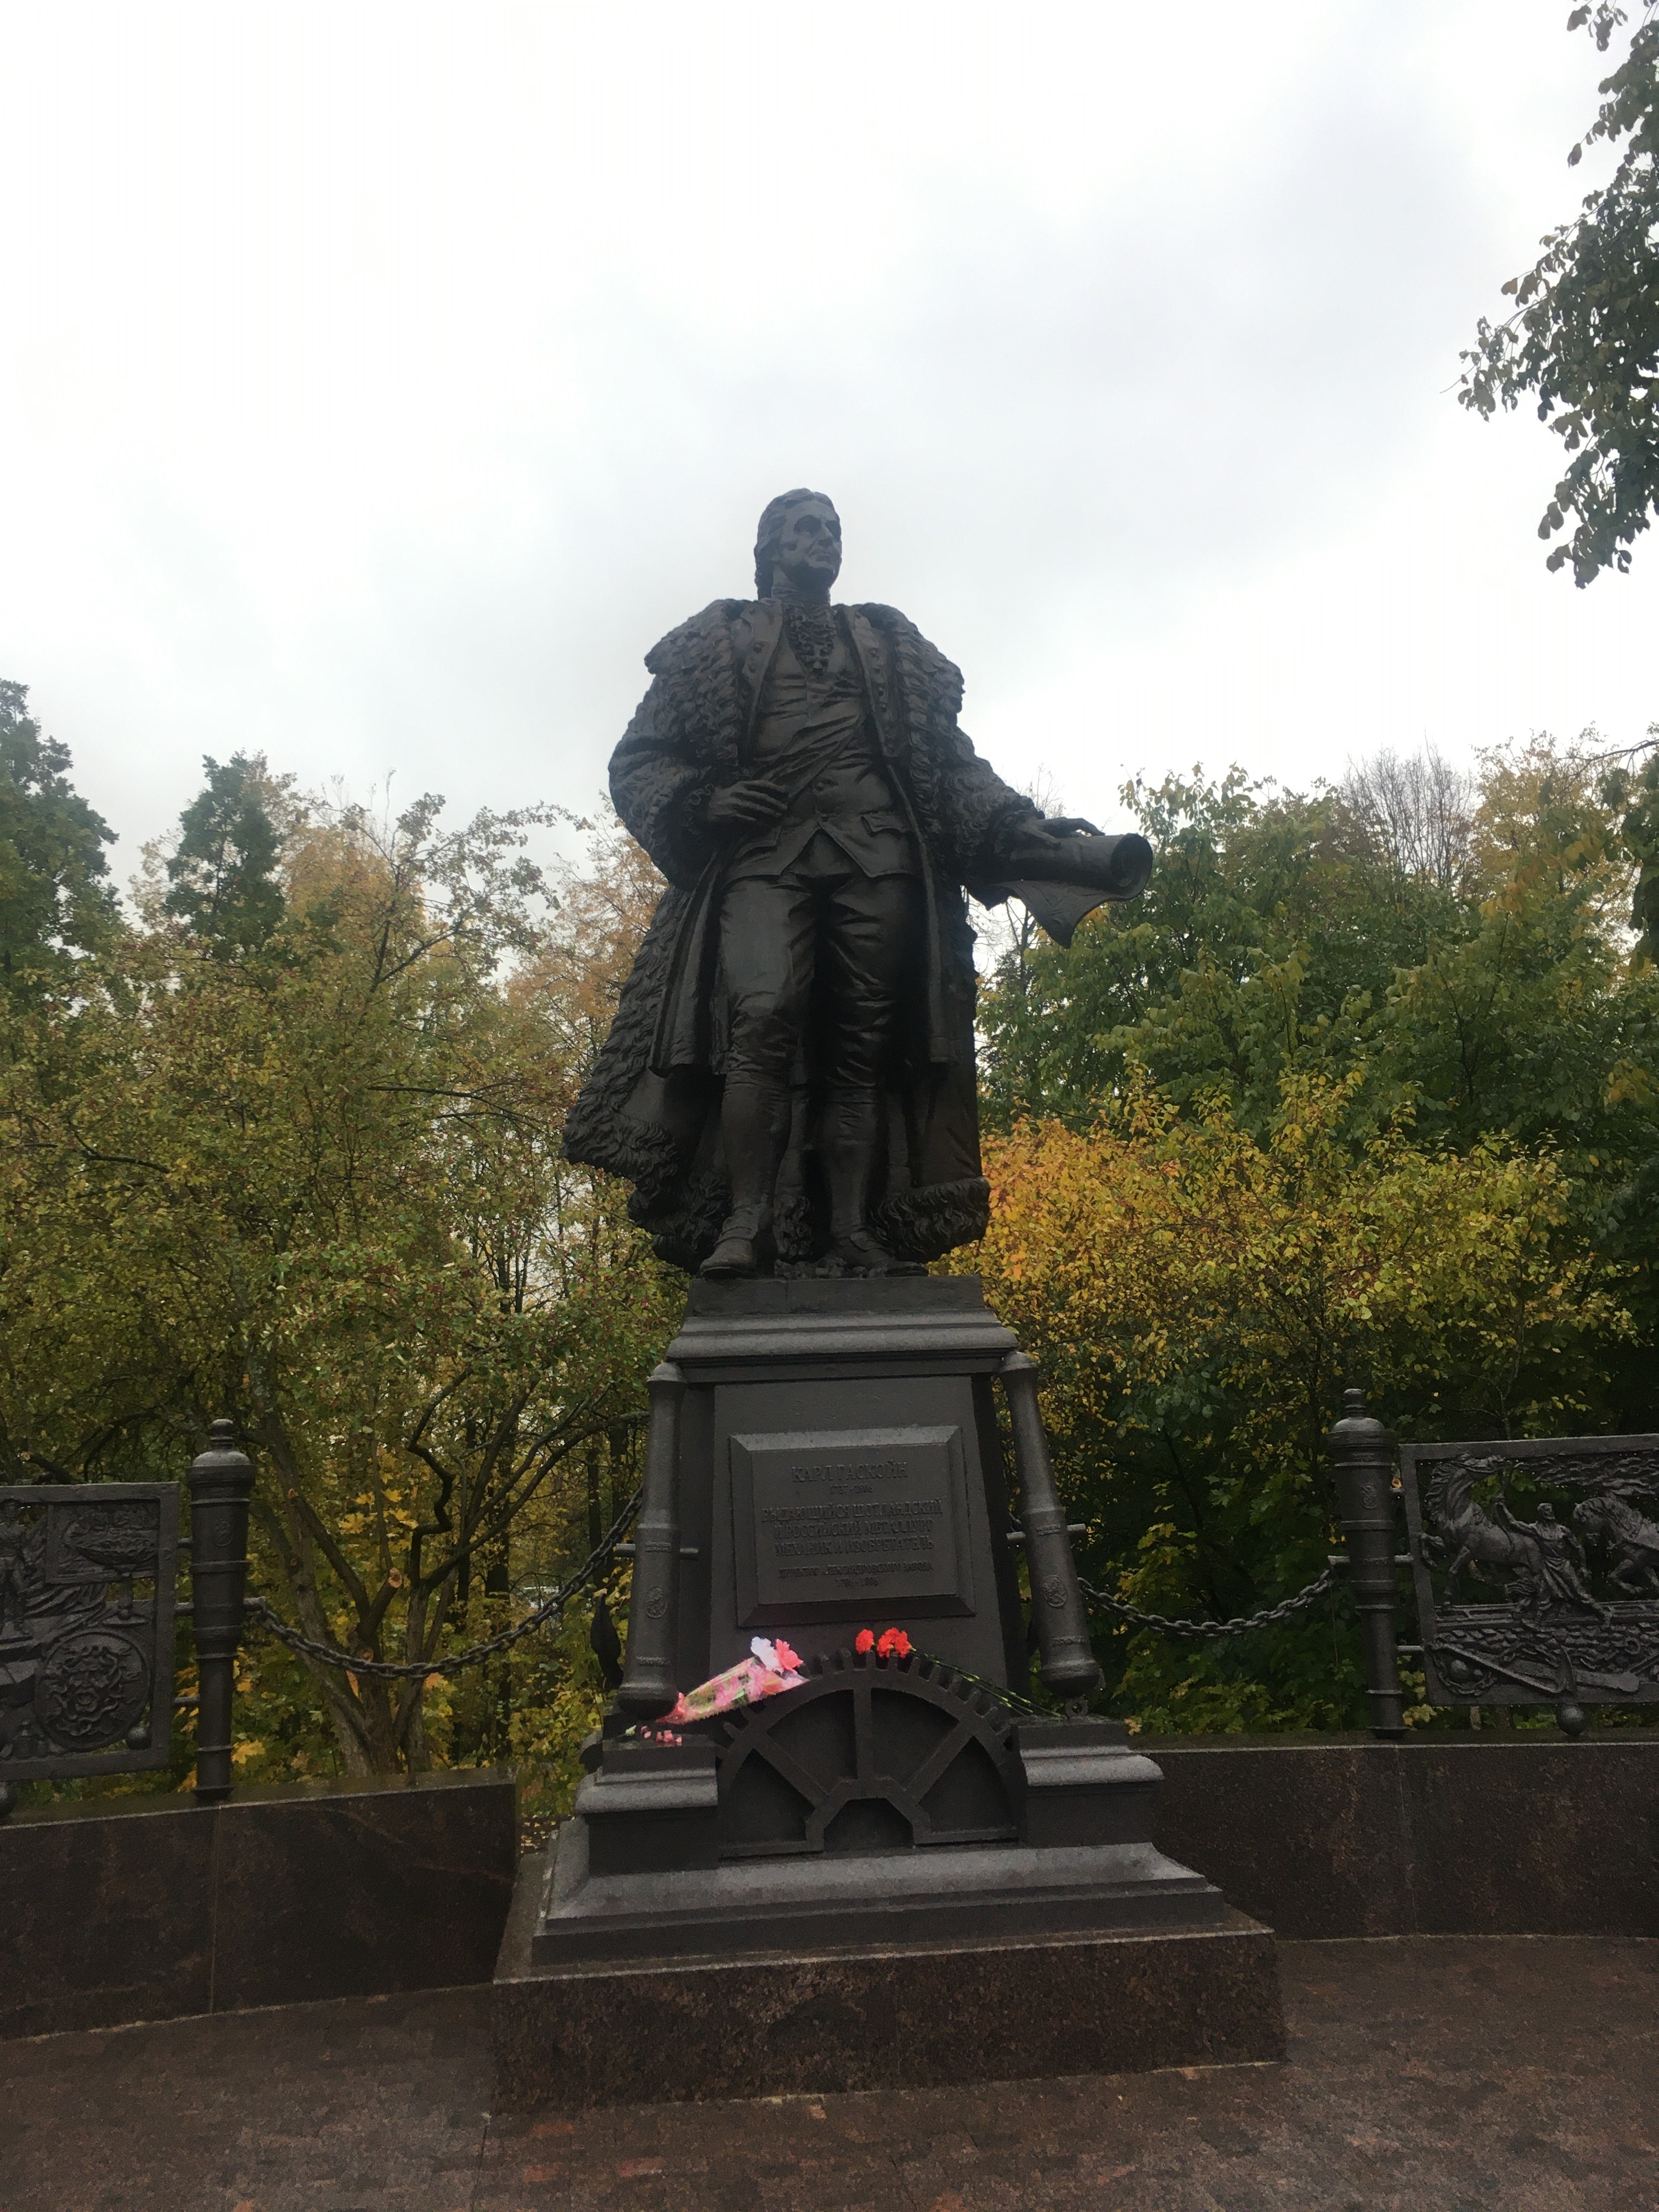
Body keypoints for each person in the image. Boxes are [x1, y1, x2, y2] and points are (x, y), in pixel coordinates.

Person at [565, 490, 1112, 1277]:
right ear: (768, 550)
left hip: (880, 858)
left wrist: (1024, 828)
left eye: (832, 529)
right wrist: (704, 802)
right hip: (765, 859)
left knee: (864, 1049)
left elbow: (950, 767)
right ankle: (746, 1221)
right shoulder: (715, 643)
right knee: (760, 1017)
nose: (822, 539)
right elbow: (641, 759)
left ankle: (855, 1230)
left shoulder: (888, 644)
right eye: (804, 529)